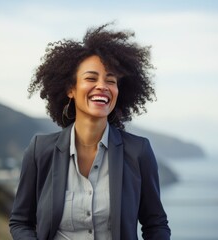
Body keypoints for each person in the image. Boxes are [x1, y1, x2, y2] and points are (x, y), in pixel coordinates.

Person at [9, 23, 171, 240]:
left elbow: (156, 224)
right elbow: (21, 222)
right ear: (70, 89)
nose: (102, 86)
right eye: (91, 78)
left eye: (110, 80)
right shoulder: (40, 150)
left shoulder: (138, 151)